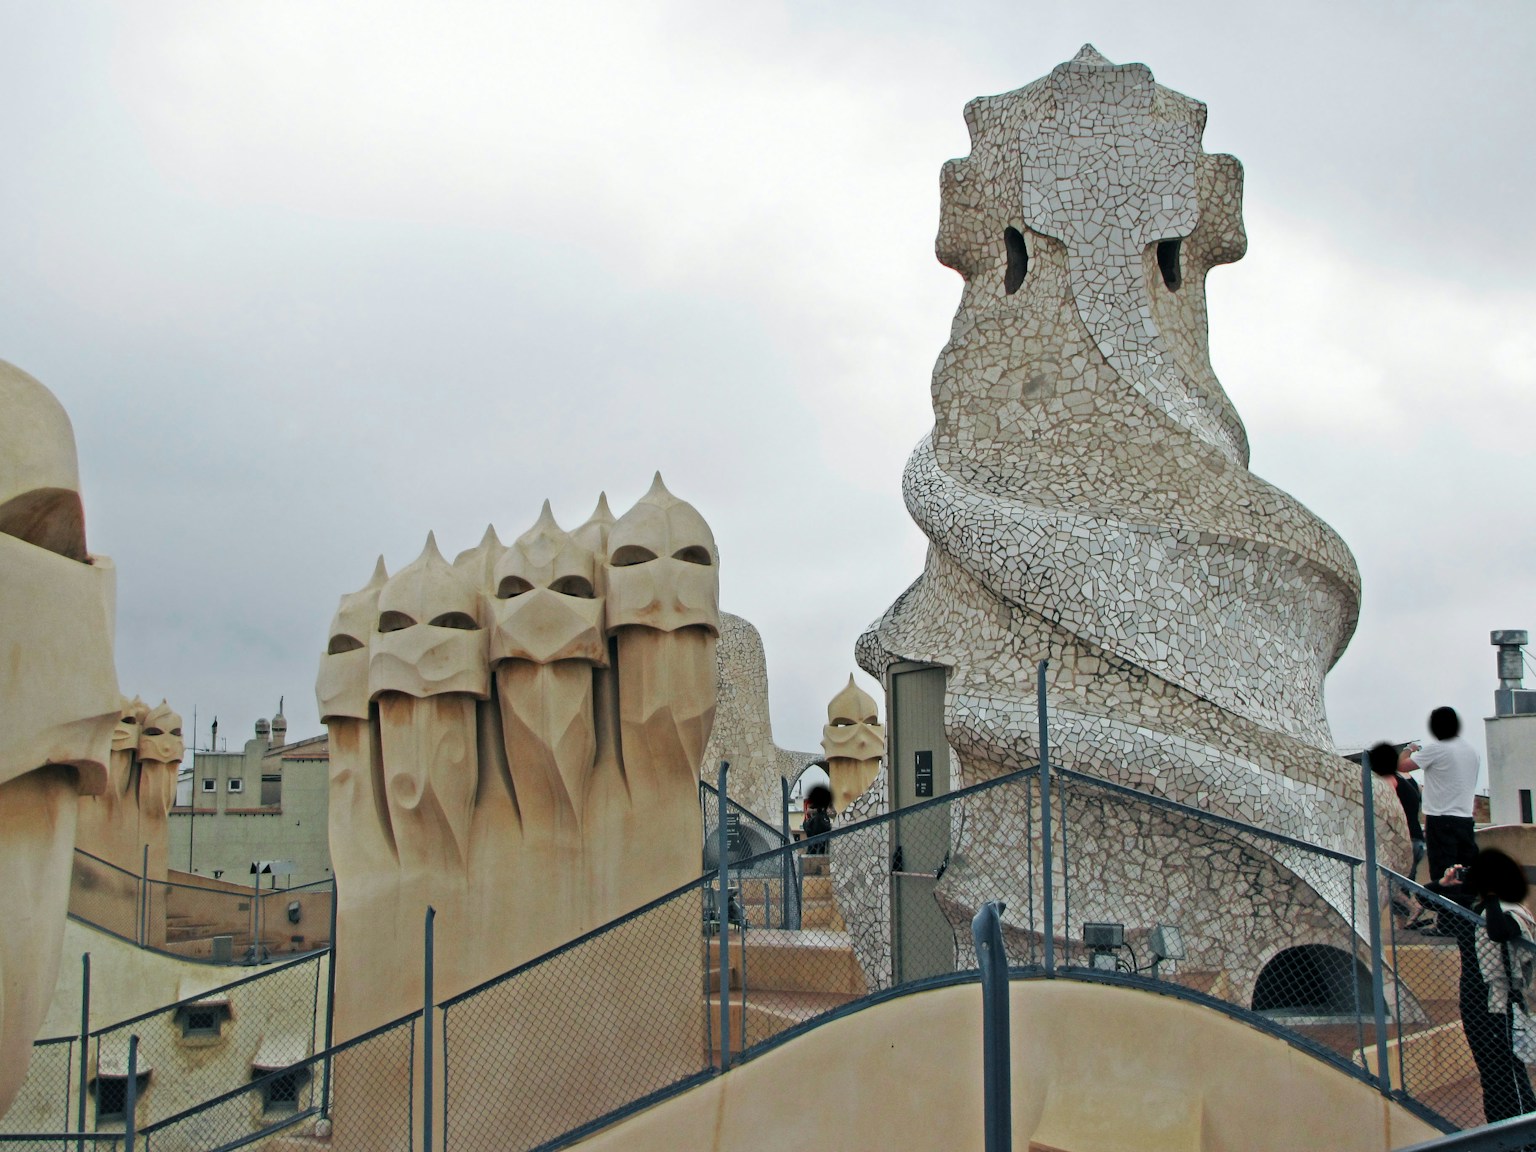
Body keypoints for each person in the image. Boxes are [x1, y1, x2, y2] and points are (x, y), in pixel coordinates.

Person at [1432, 849, 1536, 1124]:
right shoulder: (1470, 909)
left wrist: (1491, 895)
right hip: (1473, 1002)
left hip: (1500, 1003)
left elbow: (1498, 931)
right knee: (1490, 1074)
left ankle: (1524, 1131)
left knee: (1509, 1073)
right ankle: (1499, 1131)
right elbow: (1426, 899)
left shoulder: (1511, 911)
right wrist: (1443, 884)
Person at [1405, 707, 1481, 887]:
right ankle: (1464, 903)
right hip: (1465, 820)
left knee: (1443, 875)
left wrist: (1409, 749)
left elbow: (1402, 765)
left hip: (1441, 820)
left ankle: (1447, 905)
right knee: (1465, 875)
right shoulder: (1471, 751)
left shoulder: (1437, 749)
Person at [1369, 741, 1430, 927]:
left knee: (1388, 881)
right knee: (1403, 882)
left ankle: (1412, 909)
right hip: (1417, 838)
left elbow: (1384, 810)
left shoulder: (1388, 781)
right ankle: (1405, 924)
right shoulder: (1409, 780)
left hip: (1402, 840)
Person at [802, 784, 834, 856]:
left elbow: (832, 812)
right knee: (813, 845)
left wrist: (827, 811)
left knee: (821, 845)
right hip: (811, 825)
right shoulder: (811, 801)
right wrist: (819, 810)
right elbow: (808, 811)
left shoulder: (826, 803)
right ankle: (811, 857)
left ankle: (819, 856)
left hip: (820, 825)